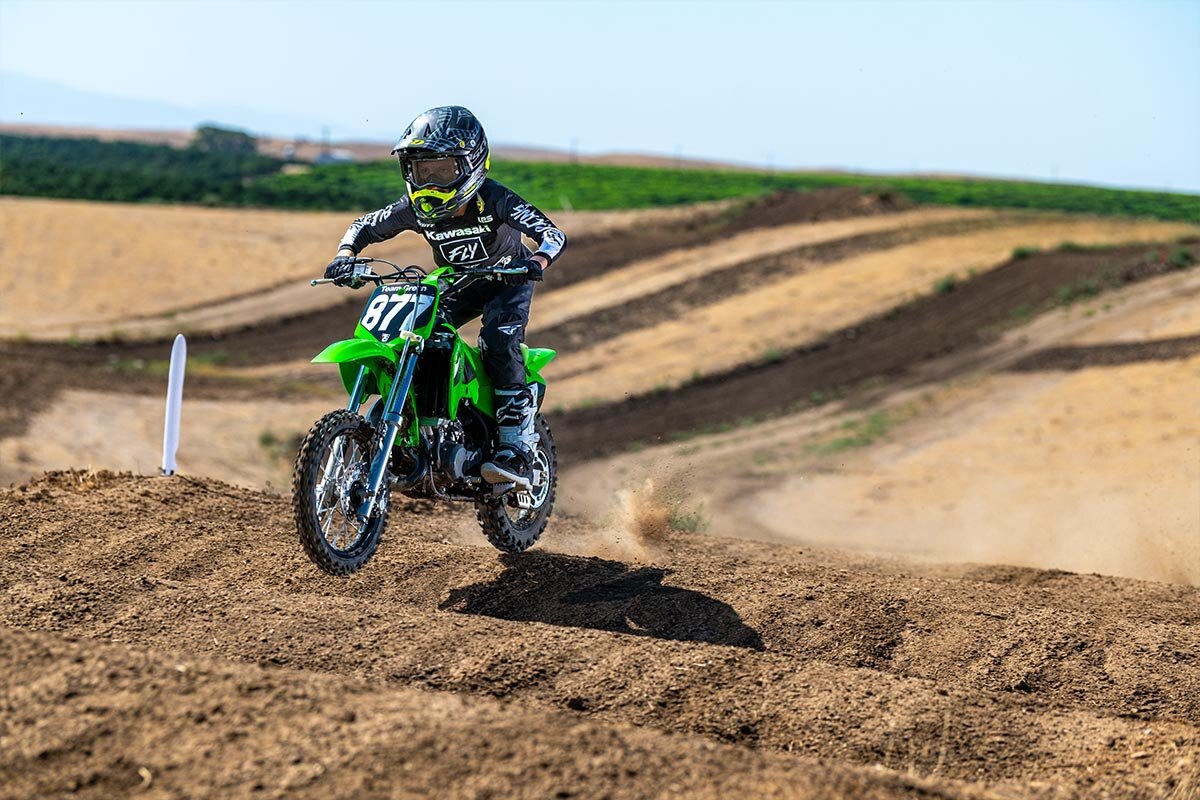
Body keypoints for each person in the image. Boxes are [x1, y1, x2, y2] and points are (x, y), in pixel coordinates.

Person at [324, 106, 567, 488]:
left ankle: (516, 447)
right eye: (422, 171)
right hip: (457, 282)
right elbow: (364, 226)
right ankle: (425, 423)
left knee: (498, 342)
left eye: (441, 171)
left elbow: (552, 234)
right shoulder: (415, 210)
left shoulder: (495, 198)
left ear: (471, 165)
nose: (430, 183)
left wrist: (536, 261)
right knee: (420, 335)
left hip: (508, 279)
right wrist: (344, 256)